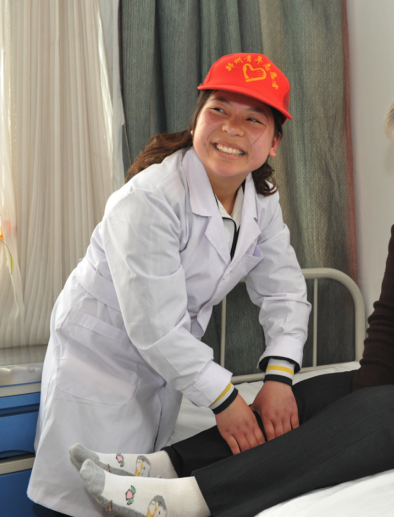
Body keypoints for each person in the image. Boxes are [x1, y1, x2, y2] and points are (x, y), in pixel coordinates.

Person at [70, 86, 394, 517]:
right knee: (306, 398)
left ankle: (195, 498)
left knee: (366, 418)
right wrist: (363, 390)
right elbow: (388, 323)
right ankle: (164, 464)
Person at [28, 53, 311, 517]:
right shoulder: (149, 199)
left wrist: (280, 375)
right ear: (197, 119)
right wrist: (226, 401)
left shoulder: (261, 200)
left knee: (139, 492)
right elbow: (155, 327)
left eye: (253, 119)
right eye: (219, 109)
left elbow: (284, 290)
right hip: (101, 360)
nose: (232, 128)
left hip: (167, 364)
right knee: (83, 496)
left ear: (274, 142)